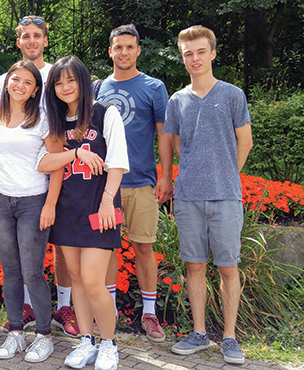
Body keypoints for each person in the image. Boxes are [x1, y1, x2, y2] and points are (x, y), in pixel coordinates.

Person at [165, 25, 253, 365]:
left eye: (201, 52)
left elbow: (244, 142)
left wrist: (227, 174)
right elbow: (174, 147)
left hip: (226, 197)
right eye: (188, 53)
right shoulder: (177, 100)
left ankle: (229, 337)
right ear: (183, 57)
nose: (195, 58)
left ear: (213, 53)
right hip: (188, 197)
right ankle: (199, 333)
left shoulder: (232, 95)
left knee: (228, 267)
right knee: (194, 266)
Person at [0, 15, 80, 338]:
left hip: (49, 176)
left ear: (45, 40)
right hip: (4, 190)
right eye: (25, 36)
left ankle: (60, 311)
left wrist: (50, 201)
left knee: (53, 254)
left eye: (37, 36)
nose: (31, 41)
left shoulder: (57, 74)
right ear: (19, 41)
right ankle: (20, 318)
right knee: (14, 268)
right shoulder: (3, 83)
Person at [39, 56, 128, 370]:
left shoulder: (105, 113)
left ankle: (109, 343)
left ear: (83, 81)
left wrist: (107, 200)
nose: (65, 87)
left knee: (93, 280)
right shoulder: (56, 121)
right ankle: (87, 341)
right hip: (67, 209)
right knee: (76, 278)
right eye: (59, 82)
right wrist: (74, 152)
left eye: (71, 80)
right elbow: (44, 163)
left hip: (99, 207)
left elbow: (117, 162)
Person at [0, 60, 62, 363]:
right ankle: (15, 333)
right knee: (10, 271)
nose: (19, 86)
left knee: (32, 272)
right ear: (7, 82)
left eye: (27, 82)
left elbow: (58, 162)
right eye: (15, 79)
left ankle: (45, 336)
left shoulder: (43, 118)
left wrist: (50, 204)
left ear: (36, 89)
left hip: (32, 202)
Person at [94, 24, 172, 342]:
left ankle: (149, 314)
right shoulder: (98, 88)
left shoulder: (154, 87)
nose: (123, 52)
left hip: (141, 181)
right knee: (107, 248)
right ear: (110, 51)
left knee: (143, 246)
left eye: (129, 47)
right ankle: (108, 309)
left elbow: (164, 134)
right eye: (118, 47)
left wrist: (166, 174)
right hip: (105, 184)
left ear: (138, 50)